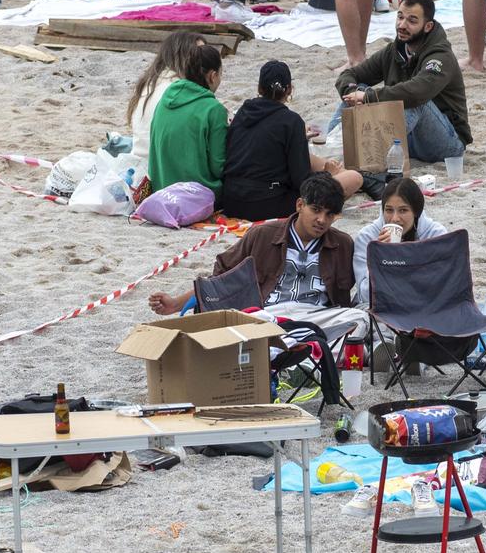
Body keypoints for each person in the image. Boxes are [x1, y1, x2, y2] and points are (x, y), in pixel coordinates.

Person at [151, 172, 366, 342]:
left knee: (359, 318)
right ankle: (305, 353)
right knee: (249, 325)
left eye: (330, 214)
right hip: (270, 316)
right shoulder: (263, 235)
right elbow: (221, 280)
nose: (321, 219)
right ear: (300, 205)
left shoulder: (343, 244)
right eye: (316, 210)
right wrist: (176, 303)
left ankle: (304, 354)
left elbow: (363, 289)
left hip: (318, 316)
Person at [333, 0, 471, 167]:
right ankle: (331, 149)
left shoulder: (441, 56)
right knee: (357, 89)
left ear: (428, 26)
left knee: (414, 101)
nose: (402, 25)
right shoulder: (394, 50)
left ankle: (368, 162)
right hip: (404, 140)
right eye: (400, 17)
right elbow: (349, 75)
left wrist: (370, 97)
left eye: (412, 21)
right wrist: (353, 93)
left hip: (447, 144)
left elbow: (418, 92)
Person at [222, 61, 363, 221]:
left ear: (259, 89)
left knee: (310, 159)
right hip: (264, 203)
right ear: (289, 90)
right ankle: (336, 172)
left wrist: (299, 140)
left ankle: (336, 171)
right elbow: (301, 181)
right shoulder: (291, 121)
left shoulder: (242, 113)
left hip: (231, 201)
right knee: (354, 178)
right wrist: (326, 175)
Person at [351, 176, 448, 306]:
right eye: (389, 210)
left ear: (416, 211)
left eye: (403, 210)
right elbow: (364, 296)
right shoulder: (367, 237)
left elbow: (442, 287)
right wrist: (382, 257)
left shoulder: (435, 235)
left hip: (423, 305)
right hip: (383, 307)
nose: (395, 218)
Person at [148, 44, 229, 198]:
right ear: (212, 75)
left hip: (161, 190)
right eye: (220, 74)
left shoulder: (165, 98)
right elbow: (219, 167)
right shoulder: (213, 109)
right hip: (196, 196)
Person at [126, 31, 205, 178]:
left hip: (139, 163)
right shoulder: (177, 89)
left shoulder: (153, 81)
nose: (205, 58)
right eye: (199, 53)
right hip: (158, 170)